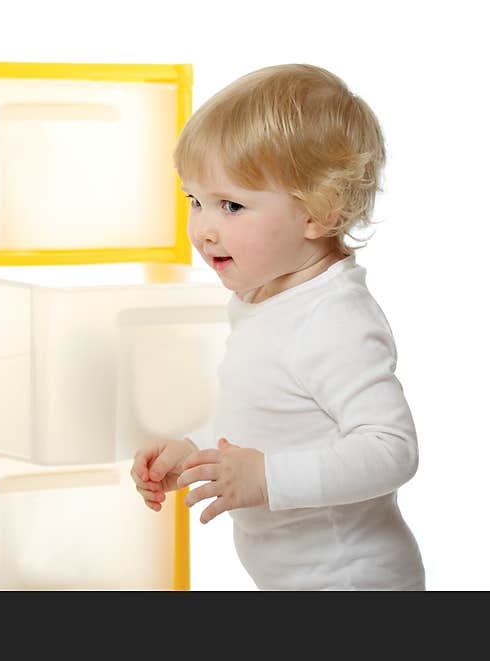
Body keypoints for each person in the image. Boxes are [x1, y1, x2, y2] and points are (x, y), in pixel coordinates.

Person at [130, 63, 425, 590]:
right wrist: (193, 454)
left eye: (231, 205)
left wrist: (266, 478)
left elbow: (390, 448)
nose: (204, 228)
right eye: (194, 200)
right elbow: (265, 417)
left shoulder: (333, 320)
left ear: (319, 211)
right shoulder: (266, 299)